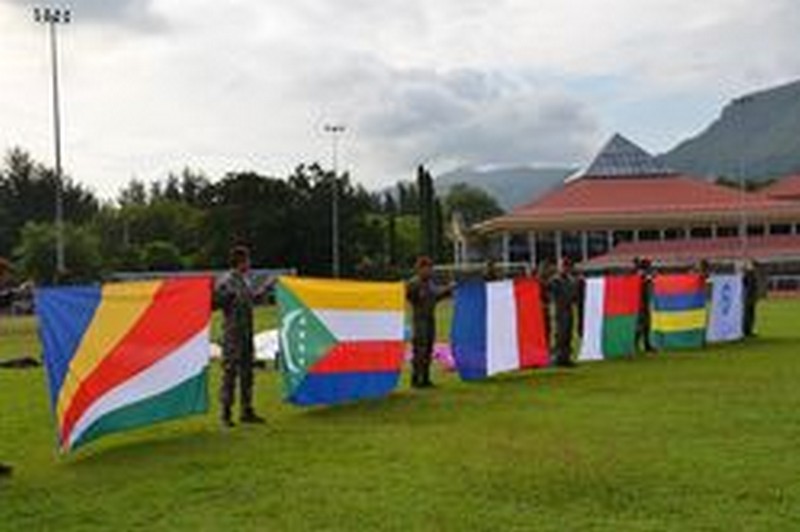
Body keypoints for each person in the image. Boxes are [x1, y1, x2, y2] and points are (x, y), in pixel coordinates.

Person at [214, 245, 272, 427]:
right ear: (241, 261)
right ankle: (226, 414)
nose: (250, 263)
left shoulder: (244, 281)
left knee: (247, 373)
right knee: (230, 373)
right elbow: (216, 302)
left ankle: (246, 411)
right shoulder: (227, 280)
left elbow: (250, 299)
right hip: (232, 335)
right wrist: (226, 296)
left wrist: (265, 289)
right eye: (248, 260)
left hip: (246, 333)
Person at [406, 256, 453, 389]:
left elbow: (437, 295)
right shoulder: (413, 283)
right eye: (426, 268)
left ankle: (425, 378)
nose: (429, 271)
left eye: (430, 268)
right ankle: (416, 379)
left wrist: (449, 289)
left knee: (428, 349)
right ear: (419, 269)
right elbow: (406, 295)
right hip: (419, 320)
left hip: (430, 319)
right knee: (420, 350)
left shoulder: (430, 284)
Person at [549, 257, 578, 367]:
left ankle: (566, 358)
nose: (566, 268)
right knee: (560, 335)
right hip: (559, 310)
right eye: (564, 266)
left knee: (568, 334)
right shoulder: (555, 280)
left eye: (567, 266)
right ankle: (557, 358)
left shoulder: (571, 280)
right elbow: (550, 292)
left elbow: (574, 296)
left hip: (569, 309)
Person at [634, 257, 654, 353]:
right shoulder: (640, 274)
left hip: (646, 303)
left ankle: (646, 344)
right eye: (648, 264)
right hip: (640, 303)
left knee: (646, 324)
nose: (649, 266)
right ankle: (636, 344)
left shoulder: (646, 274)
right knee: (640, 324)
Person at [742, 260, 759, 337]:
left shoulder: (752, 274)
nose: (754, 268)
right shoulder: (747, 274)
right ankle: (746, 331)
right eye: (753, 266)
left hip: (751, 296)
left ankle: (749, 330)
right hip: (748, 297)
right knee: (747, 314)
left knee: (751, 314)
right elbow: (746, 285)